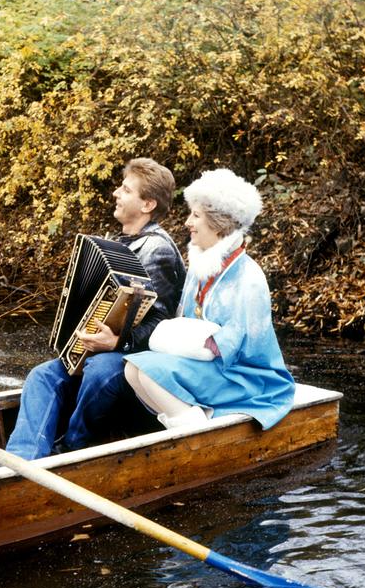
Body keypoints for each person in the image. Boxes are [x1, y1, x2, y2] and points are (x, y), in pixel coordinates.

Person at [4, 158, 187, 460]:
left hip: (140, 361)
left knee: (100, 370)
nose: (116, 193)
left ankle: (72, 450)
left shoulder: (159, 250)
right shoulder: (117, 243)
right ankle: (21, 461)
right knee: (42, 376)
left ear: (147, 204)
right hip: (101, 350)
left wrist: (117, 343)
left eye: (126, 190)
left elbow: (162, 324)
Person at [125, 168, 295, 432]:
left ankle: (194, 435)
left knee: (149, 371)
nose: (187, 223)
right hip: (207, 365)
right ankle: (189, 422)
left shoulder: (249, 277)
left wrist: (201, 343)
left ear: (218, 223)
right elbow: (186, 323)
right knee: (132, 369)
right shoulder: (199, 267)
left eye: (196, 215)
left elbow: (242, 347)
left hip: (247, 376)